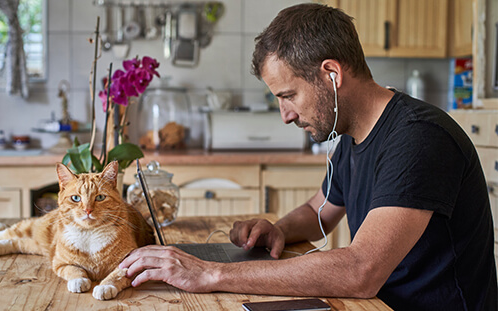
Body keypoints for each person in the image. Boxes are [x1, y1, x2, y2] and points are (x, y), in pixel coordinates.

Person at [120, 3, 497, 310]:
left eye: (288, 96)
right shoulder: (352, 135)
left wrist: (210, 274)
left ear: (331, 74)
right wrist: (279, 229)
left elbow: (359, 271)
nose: (285, 115)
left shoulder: (420, 138)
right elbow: (320, 213)